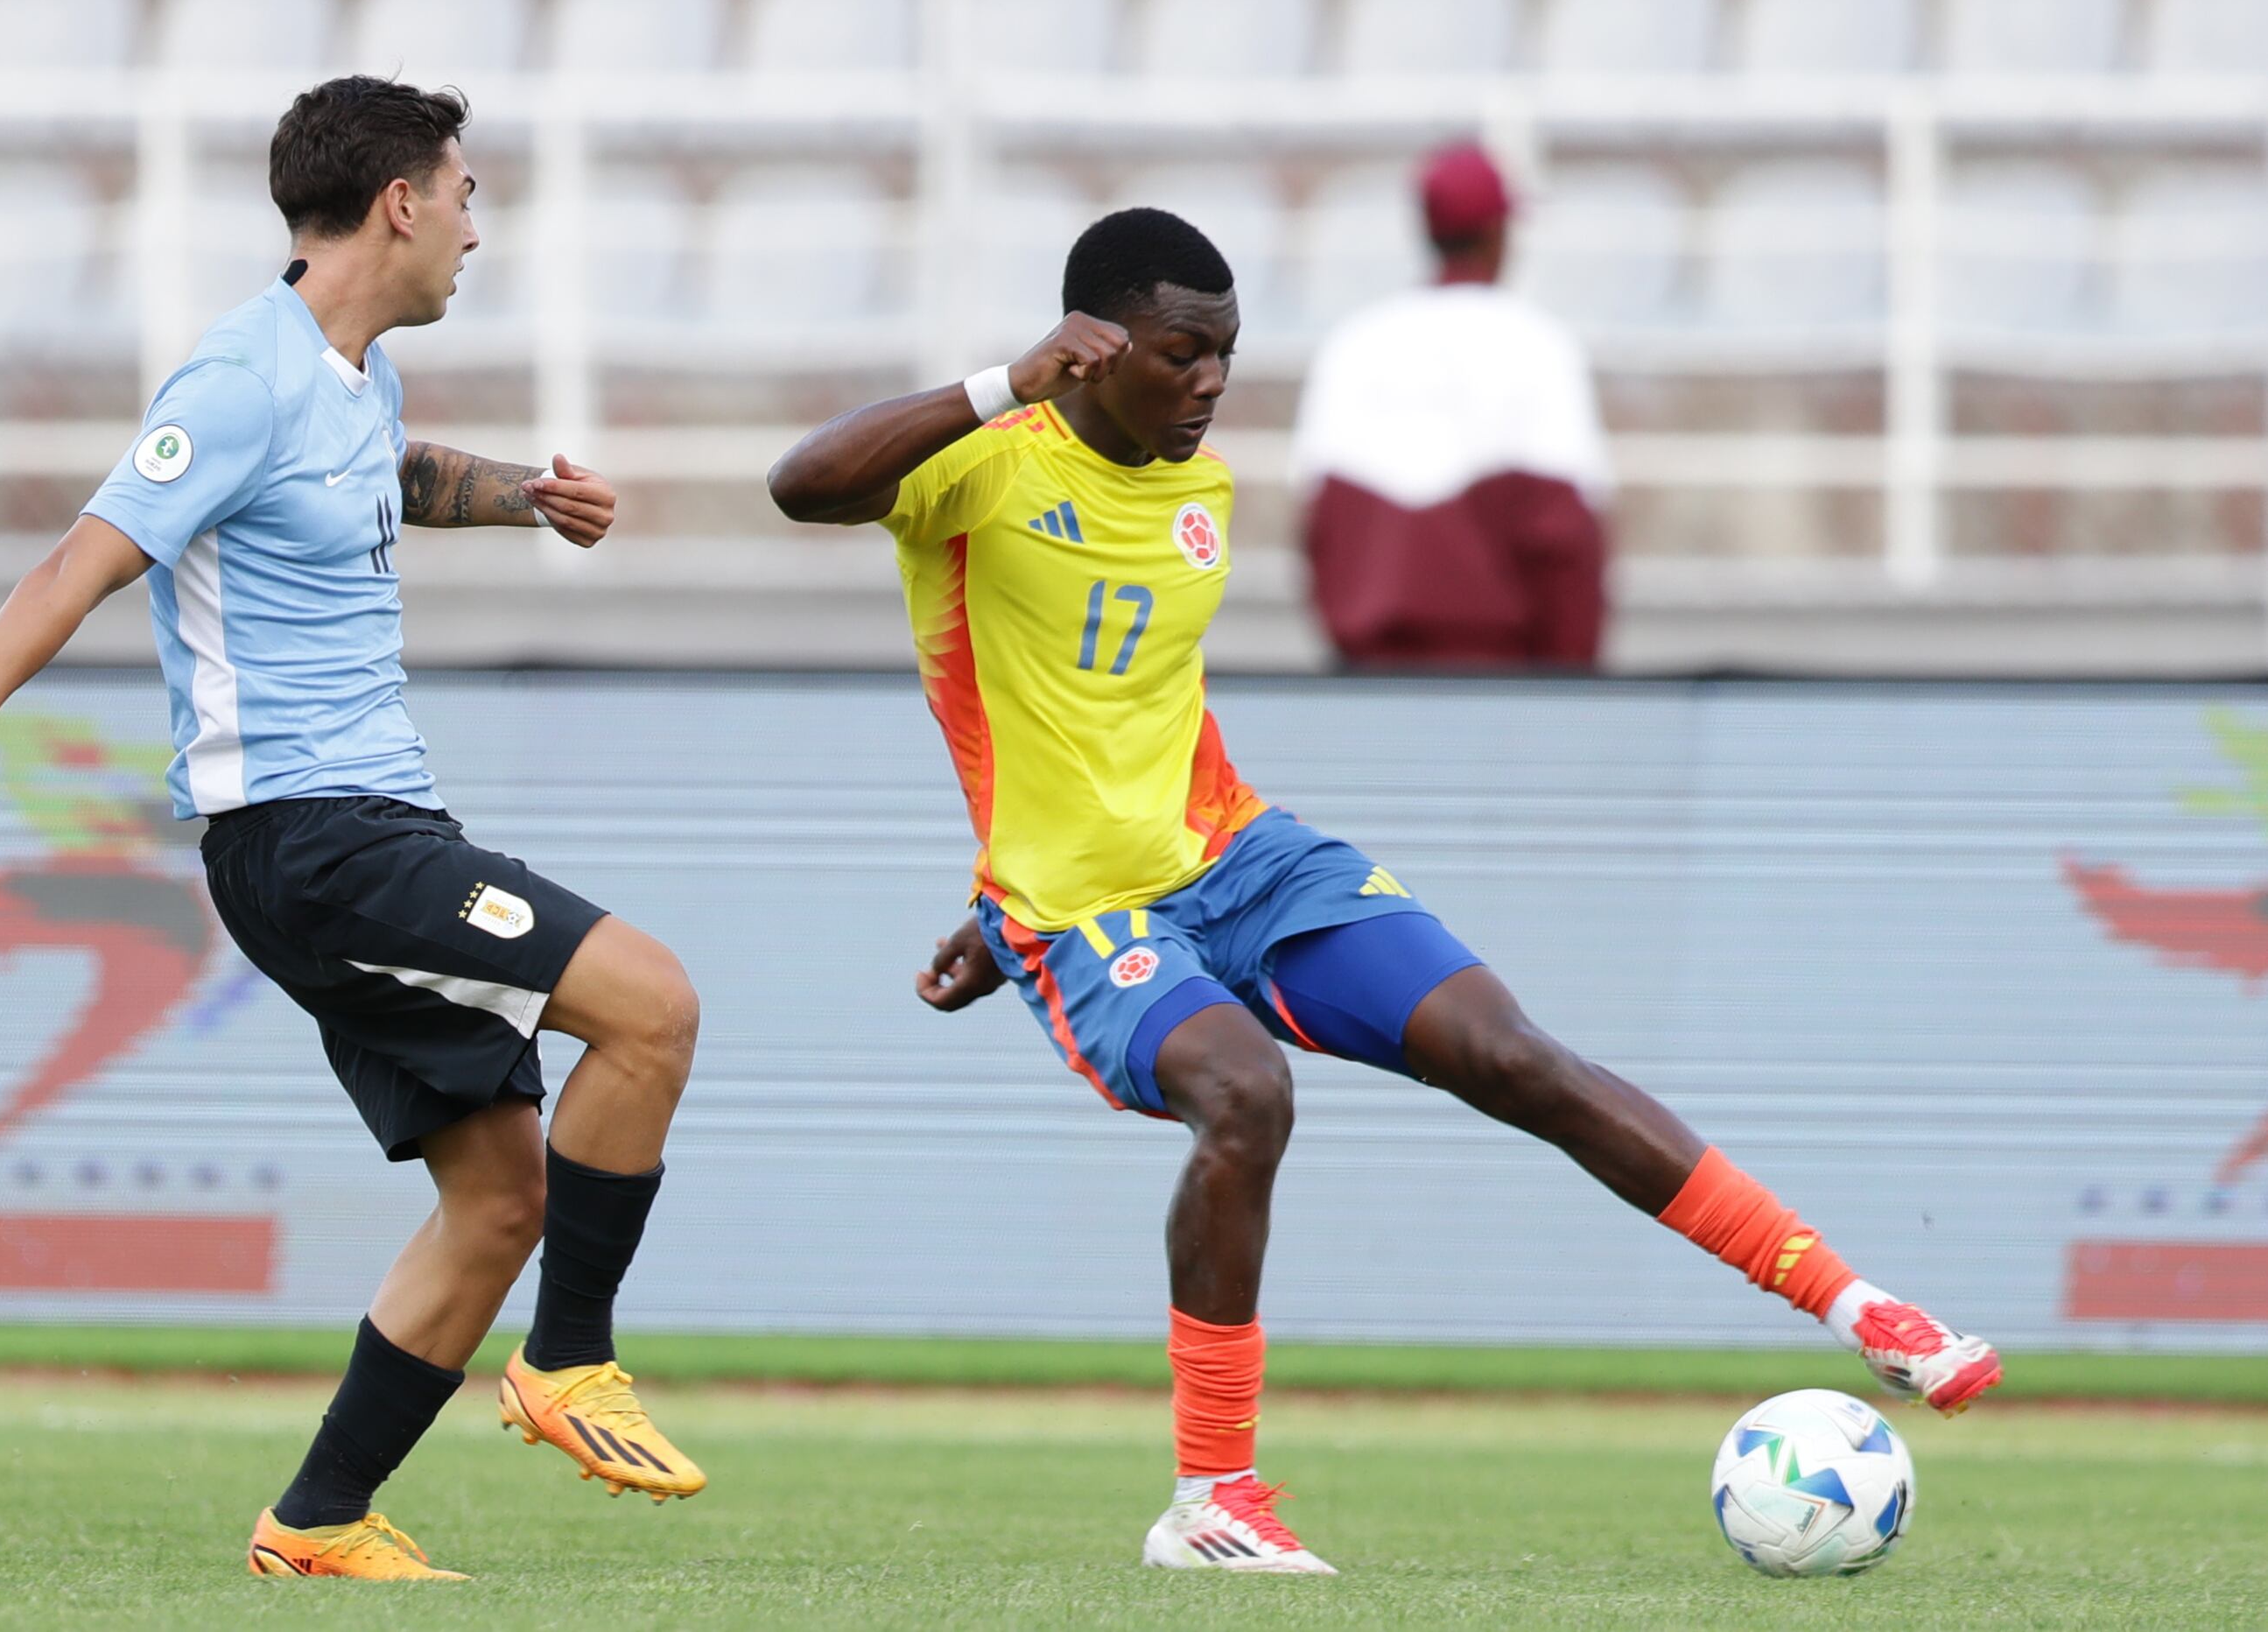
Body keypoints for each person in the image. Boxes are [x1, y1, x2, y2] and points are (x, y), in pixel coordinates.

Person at [767, 207, 1999, 1576]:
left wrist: (999, 921)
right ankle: (1211, 1501)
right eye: (1183, 353)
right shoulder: (982, 471)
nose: (1209, 383)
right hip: (1084, 915)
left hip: (1237, 856)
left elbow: (1123, 722)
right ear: (1095, 346)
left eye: (1227, 356)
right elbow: (801, 484)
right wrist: (1003, 380)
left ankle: (1860, 1308)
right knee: (1245, 1095)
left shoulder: (1202, 495)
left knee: (1510, 1053)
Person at [0, 77, 706, 1582]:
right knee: (655, 1004)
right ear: (401, 202)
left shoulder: (352, 377)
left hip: (366, 823)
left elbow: (387, 481)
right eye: (467, 196)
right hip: (313, 836)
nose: (479, 233)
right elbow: (77, 562)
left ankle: (320, 1517)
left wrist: (520, 500)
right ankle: (570, 1357)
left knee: (500, 1193)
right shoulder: (235, 376)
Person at [1292, 142, 1611, 667]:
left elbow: (1322, 529)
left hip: (1370, 678)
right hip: (1506, 685)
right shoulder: (1538, 347)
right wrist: (1572, 689)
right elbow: (1566, 541)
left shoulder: (1355, 345)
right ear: (1498, 234)